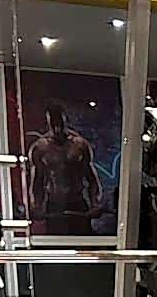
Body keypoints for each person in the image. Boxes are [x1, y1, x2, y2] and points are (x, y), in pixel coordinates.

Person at [26, 101, 102, 236]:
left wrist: (95, 204)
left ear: (65, 120)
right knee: (57, 244)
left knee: (82, 243)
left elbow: (91, 178)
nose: (57, 128)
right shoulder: (40, 148)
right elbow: (37, 182)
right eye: (53, 124)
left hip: (77, 204)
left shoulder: (79, 145)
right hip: (54, 206)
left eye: (59, 123)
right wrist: (36, 206)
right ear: (48, 123)